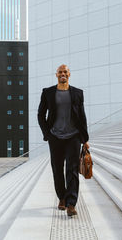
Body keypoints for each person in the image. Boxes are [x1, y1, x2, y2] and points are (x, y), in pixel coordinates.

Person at [38, 64, 89, 217]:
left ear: (69, 74)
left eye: (65, 72)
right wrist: (47, 134)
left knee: (72, 170)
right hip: (55, 137)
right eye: (60, 72)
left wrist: (84, 138)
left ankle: (71, 204)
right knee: (57, 169)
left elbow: (82, 116)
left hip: (73, 136)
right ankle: (61, 197)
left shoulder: (78, 93)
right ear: (56, 75)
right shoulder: (48, 93)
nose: (63, 74)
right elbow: (41, 115)